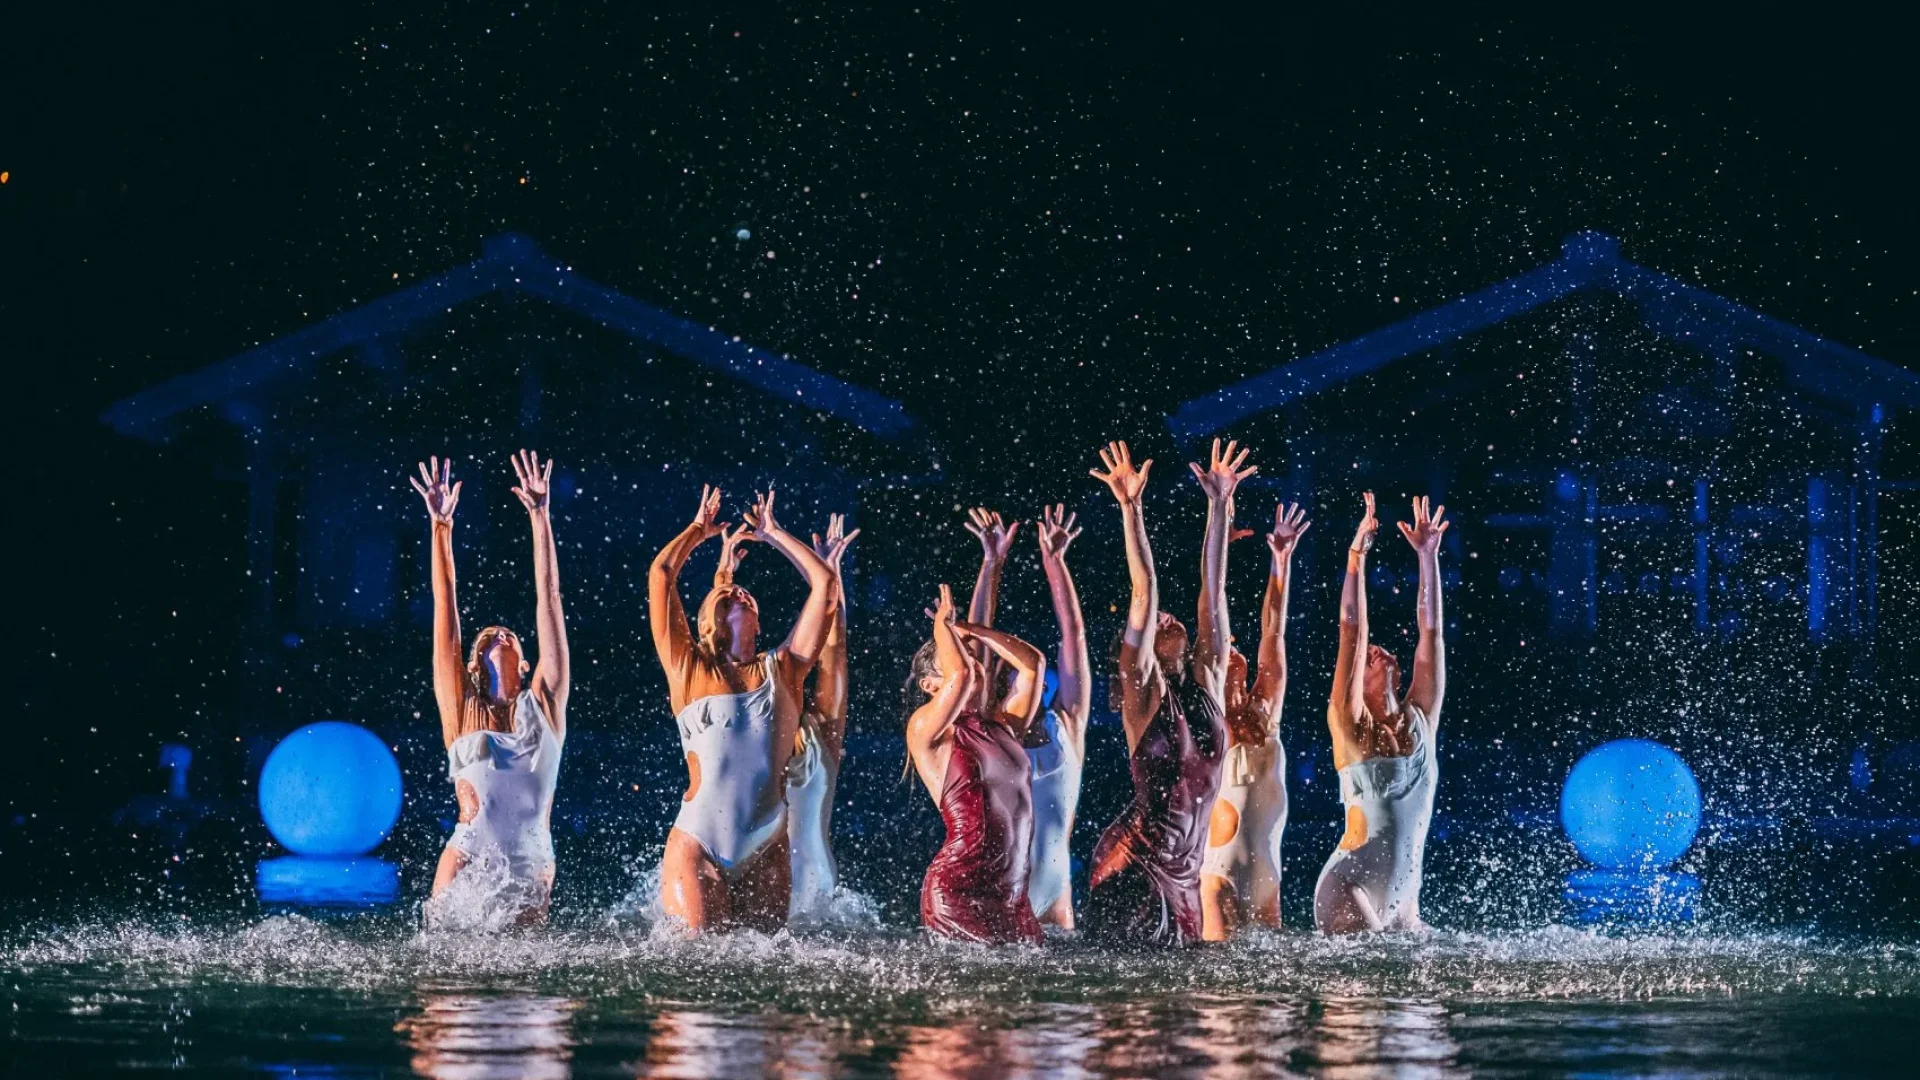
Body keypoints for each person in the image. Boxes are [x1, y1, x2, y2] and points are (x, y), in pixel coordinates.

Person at [647, 486, 836, 933]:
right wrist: (698, 530)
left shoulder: (784, 671)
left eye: (742, 594)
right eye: (726, 597)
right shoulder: (688, 669)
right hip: (699, 844)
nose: (738, 593)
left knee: (761, 975)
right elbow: (661, 575)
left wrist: (774, 534)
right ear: (707, 622)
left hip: (767, 842)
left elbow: (826, 587)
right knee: (701, 970)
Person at [1083, 439, 1246, 947]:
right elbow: (1143, 591)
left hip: (1185, 876)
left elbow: (1213, 596)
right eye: (1156, 623)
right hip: (1136, 867)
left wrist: (1219, 507)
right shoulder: (1144, 693)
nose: (1165, 616)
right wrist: (1131, 508)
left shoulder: (1208, 684)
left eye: (1171, 619)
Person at [412, 451, 570, 929]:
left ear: (525, 662)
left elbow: (549, 596)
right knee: (446, 985)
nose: (497, 634)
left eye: (509, 635)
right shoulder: (461, 709)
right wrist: (442, 528)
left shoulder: (545, 703)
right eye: (484, 639)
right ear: (473, 663)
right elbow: (446, 608)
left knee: (522, 988)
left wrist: (540, 517)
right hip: (468, 853)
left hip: (529, 862)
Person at [1313, 494, 1448, 934]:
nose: (1375, 651)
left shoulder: (1421, 717)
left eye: (1380, 651)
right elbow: (1352, 630)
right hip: (1349, 886)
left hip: (1404, 904)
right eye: (1367, 657)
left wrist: (1427, 558)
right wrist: (1357, 557)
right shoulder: (1350, 724)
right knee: (1371, 985)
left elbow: (1431, 632)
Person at [954, 504, 1091, 929]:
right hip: (999, 890)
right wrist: (991, 564)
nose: (1025, 683)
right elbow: (974, 647)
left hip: (1055, 893)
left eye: (1030, 677)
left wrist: (1056, 563)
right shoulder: (991, 731)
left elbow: (1074, 635)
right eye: (1011, 677)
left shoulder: (1068, 723)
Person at [906, 585, 1048, 943]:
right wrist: (942, 626)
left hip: (1013, 896)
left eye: (972, 657)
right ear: (929, 685)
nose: (971, 665)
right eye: (957, 658)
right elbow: (962, 677)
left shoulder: (1005, 726)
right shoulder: (927, 729)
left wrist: (971, 631)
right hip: (959, 892)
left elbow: (1033, 665)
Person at [1200, 502, 1310, 940]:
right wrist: (1217, 558)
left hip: (1267, 875)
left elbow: (1273, 632)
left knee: (1271, 999)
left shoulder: (1267, 715)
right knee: (1221, 992)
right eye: (1226, 652)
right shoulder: (1211, 719)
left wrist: (1280, 562)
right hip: (1220, 871)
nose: (1234, 649)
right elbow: (1212, 619)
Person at [781, 514, 858, 922]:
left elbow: (834, 653)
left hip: (814, 885)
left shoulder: (820, 734)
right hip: (756, 878)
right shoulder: (748, 733)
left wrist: (832, 578)